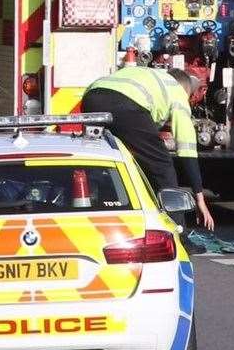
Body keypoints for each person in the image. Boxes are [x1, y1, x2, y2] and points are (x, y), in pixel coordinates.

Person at [83, 66, 215, 232]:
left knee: (106, 165)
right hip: (125, 104)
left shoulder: (153, 76)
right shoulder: (178, 92)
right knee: (162, 166)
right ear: (186, 90)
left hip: (91, 97)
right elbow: (187, 150)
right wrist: (200, 199)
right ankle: (179, 234)